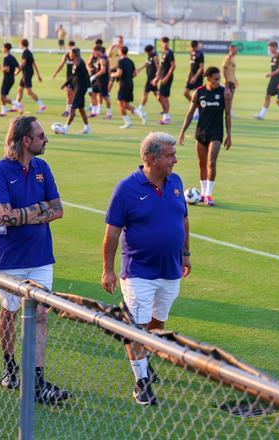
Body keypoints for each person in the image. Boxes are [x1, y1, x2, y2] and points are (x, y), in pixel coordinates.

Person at [101, 132, 191, 405]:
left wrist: (185, 253)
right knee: (136, 327)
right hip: (138, 271)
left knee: (157, 322)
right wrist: (108, 269)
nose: (175, 159)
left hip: (171, 268)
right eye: (170, 155)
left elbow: (183, 219)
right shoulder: (126, 189)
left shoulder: (175, 182)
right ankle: (140, 383)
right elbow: (112, 234)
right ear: (151, 159)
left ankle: (145, 362)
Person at [0, 115, 70, 404]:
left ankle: (37, 381)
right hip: (9, 258)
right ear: (26, 140)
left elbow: (58, 209)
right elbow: (4, 215)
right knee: (9, 312)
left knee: (41, 315)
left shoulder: (42, 168)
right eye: (41, 136)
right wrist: (38, 210)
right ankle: (10, 368)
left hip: (40, 257)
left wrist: (23, 214)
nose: (45, 140)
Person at [178, 66, 232, 206]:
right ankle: (202, 194)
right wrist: (182, 131)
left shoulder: (225, 92)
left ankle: (208, 194)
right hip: (201, 133)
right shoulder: (198, 92)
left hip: (216, 133)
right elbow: (190, 113)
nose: (218, 81)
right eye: (215, 79)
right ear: (208, 79)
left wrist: (229, 135)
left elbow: (227, 115)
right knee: (201, 164)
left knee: (211, 162)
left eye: (219, 79)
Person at [56, 47, 91, 135]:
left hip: (80, 88)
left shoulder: (79, 63)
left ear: (75, 54)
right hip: (77, 87)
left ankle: (65, 128)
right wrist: (66, 84)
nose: (69, 55)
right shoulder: (76, 62)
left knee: (73, 108)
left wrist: (90, 87)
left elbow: (86, 75)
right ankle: (87, 127)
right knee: (81, 108)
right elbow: (73, 76)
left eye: (71, 53)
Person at [112, 46, 147, 128]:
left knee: (120, 103)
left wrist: (113, 74)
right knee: (126, 105)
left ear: (121, 52)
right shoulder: (131, 61)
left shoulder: (120, 61)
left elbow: (119, 73)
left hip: (123, 85)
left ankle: (128, 123)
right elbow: (134, 74)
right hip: (130, 84)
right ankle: (141, 114)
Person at [15, 39, 46, 114]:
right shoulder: (29, 52)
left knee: (29, 92)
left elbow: (23, 64)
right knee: (20, 90)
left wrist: (17, 70)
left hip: (27, 74)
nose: (19, 45)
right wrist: (38, 75)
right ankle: (15, 106)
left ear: (22, 44)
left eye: (20, 44)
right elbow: (34, 64)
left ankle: (42, 106)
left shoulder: (25, 53)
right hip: (26, 73)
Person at [254, 41, 279, 120]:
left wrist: (271, 74)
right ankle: (262, 115)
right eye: (268, 47)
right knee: (267, 96)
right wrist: (272, 75)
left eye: (270, 48)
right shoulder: (273, 57)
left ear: (275, 47)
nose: (269, 49)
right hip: (273, 80)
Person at [153, 37, 175, 125]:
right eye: (163, 42)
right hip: (163, 77)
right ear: (161, 43)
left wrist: (166, 77)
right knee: (163, 97)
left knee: (160, 96)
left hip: (167, 77)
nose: (165, 44)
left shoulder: (170, 53)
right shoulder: (163, 53)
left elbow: (173, 66)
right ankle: (166, 116)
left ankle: (166, 116)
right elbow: (162, 68)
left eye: (166, 42)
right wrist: (157, 78)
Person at [51, 40, 76, 117]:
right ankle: (68, 111)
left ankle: (71, 111)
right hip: (69, 78)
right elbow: (61, 65)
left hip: (75, 78)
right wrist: (55, 73)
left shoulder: (77, 57)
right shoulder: (66, 56)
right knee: (69, 94)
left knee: (73, 95)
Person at [134, 44, 160, 116]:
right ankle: (164, 108)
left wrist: (156, 78)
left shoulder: (155, 57)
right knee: (157, 94)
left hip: (151, 78)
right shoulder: (150, 56)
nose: (147, 53)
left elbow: (158, 68)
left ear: (151, 51)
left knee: (145, 92)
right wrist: (138, 69)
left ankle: (140, 108)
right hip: (150, 76)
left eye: (148, 52)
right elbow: (146, 63)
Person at [183, 40, 205, 120]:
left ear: (196, 46)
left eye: (194, 47)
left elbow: (201, 67)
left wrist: (195, 77)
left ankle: (197, 112)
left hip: (198, 77)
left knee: (197, 95)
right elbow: (191, 66)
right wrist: (188, 76)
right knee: (185, 93)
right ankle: (196, 107)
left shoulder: (200, 54)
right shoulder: (191, 53)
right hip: (191, 77)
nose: (193, 48)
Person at [0, 43, 20, 116]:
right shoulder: (12, 57)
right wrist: (14, 74)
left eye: (2, 47)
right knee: (3, 96)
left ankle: (18, 104)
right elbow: (19, 67)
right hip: (11, 79)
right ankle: (3, 112)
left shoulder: (6, 58)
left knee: (2, 97)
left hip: (7, 79)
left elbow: (6, 70)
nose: (2, 49)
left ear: (6, 49)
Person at [90, 45, 113, 119]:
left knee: (105, 96)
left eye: (94, 52)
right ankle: (94, 112)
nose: (93, 53)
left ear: (98, 51)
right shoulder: (99, 58)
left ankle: (109, 114)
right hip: (97, 80)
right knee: (93, 94)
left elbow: (103, 70)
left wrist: (94, 76)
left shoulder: (102, 59)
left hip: (102, 80)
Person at [221, 43, 238, 111]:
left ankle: (230, 111)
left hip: (232, 81)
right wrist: (226, 80)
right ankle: (228, 111)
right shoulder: (228, 58)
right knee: (228, 97)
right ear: (231, 49)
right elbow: (223, 69)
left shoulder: (233, 58)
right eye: (235, 50)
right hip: (228, 81)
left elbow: (232, 71)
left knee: (231, 97)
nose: (236, 51)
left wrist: (235, 80)